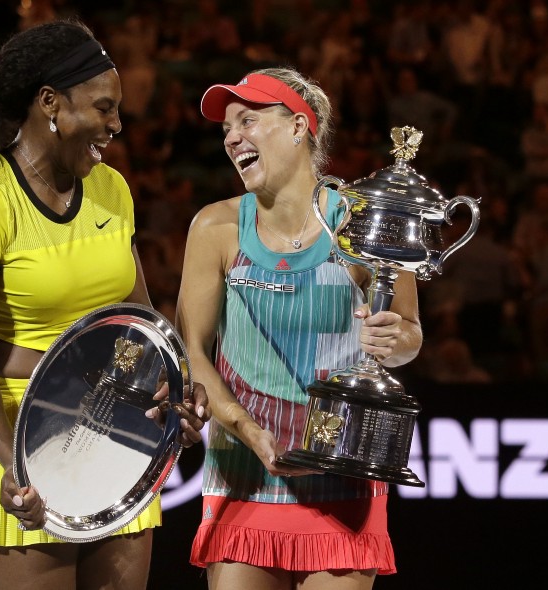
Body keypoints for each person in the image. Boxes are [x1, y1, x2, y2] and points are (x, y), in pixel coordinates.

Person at [0, 19, 209, 590]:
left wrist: (175, 391)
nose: (117, 123)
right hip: (14, 434)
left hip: (115, 438)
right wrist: (14, 461)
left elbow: (138, 325)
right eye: (103, 107)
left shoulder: (112, 189)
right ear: (50, 103)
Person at [175, 67, 423, 589]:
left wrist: (392, 339)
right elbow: (192, 353)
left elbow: (409, 336)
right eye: (225, 130)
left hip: (343, 479)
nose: (232, 137)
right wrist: (246, 428)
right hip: (243, 473)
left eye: (247, 120)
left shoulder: (364, 221)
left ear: (297, 127)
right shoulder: (214, 227)